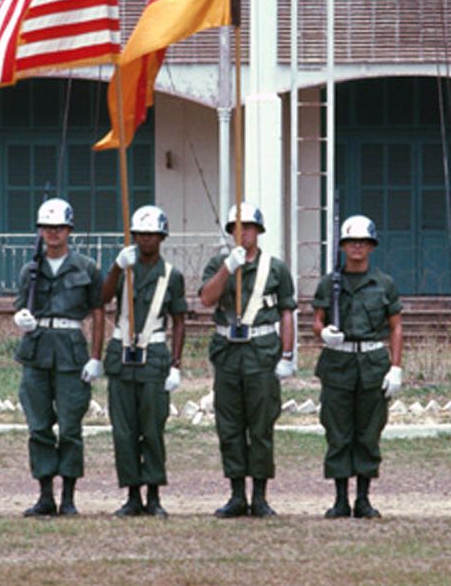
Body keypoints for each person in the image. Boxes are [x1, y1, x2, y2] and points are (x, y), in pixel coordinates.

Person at [199, 202, 296, 518]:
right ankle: (237, 495)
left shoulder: (276, 268)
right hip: (228, 353)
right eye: (237, 228)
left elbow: (287, 311)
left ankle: (260, 497)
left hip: (261, 352)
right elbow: (206, 299)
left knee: (261, 425)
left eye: (249, 227)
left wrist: (287, 354)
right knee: (229, 426)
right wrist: (229, 267)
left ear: (259, 231)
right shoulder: (218, 263)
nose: (244, 233)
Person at [14, 198, 104, 516]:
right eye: (47, 228)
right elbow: (20, 305)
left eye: (59, 228)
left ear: (69, 230)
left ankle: (68, 497)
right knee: (38, 426)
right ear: (40, 231)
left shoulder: (86, 267)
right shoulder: (30, 270)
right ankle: (44, 495)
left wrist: (96, 356)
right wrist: (21, 318)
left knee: (69, 428)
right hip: (37, 350)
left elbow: (97, 311)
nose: (53, 233)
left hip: (70, 350)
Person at [311, 214, 404, 519]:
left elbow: (396, 327)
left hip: (372, 364)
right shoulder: (329, 283)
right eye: (351, 242)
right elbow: (317, 320)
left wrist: (396, 367)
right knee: (338, 432)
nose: (356, 247)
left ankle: (363, 499)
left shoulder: (384, 284)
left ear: (371, 246)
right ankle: (340, 499)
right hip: (338, 363)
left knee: (368, 433)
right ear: (342, 246)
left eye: (362, 242)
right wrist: (323, 334)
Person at [99, 205, 187, 518]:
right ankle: (132, 494)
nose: (145, 240)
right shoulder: (125, 270)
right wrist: (115, 267)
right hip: (122, 356)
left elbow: (179, 321)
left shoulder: (171, 275)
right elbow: (103, 298)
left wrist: (176, 364)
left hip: (154, 358)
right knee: (123, 430)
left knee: (151, 428)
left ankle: (153, 494)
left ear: (162, 237)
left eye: (151, 235)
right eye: (140, 235)